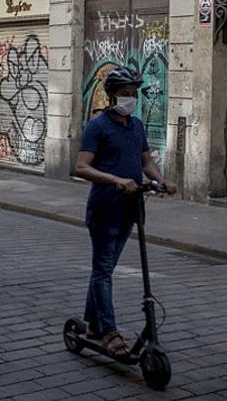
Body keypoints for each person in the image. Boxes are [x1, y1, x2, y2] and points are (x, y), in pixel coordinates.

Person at [73, 66, 176, 358]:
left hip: (131, 210)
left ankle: (93, 325)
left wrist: (160, 180)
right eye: (124, 94)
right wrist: (117, 180)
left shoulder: (137, 126)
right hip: (105, 208)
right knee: (103, 270)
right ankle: (108, 331)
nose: (130, 99)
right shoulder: (98, 127)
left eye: (133, 94)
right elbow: (81, 167)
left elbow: (146, 163)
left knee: (104, 270)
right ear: (111, 95)